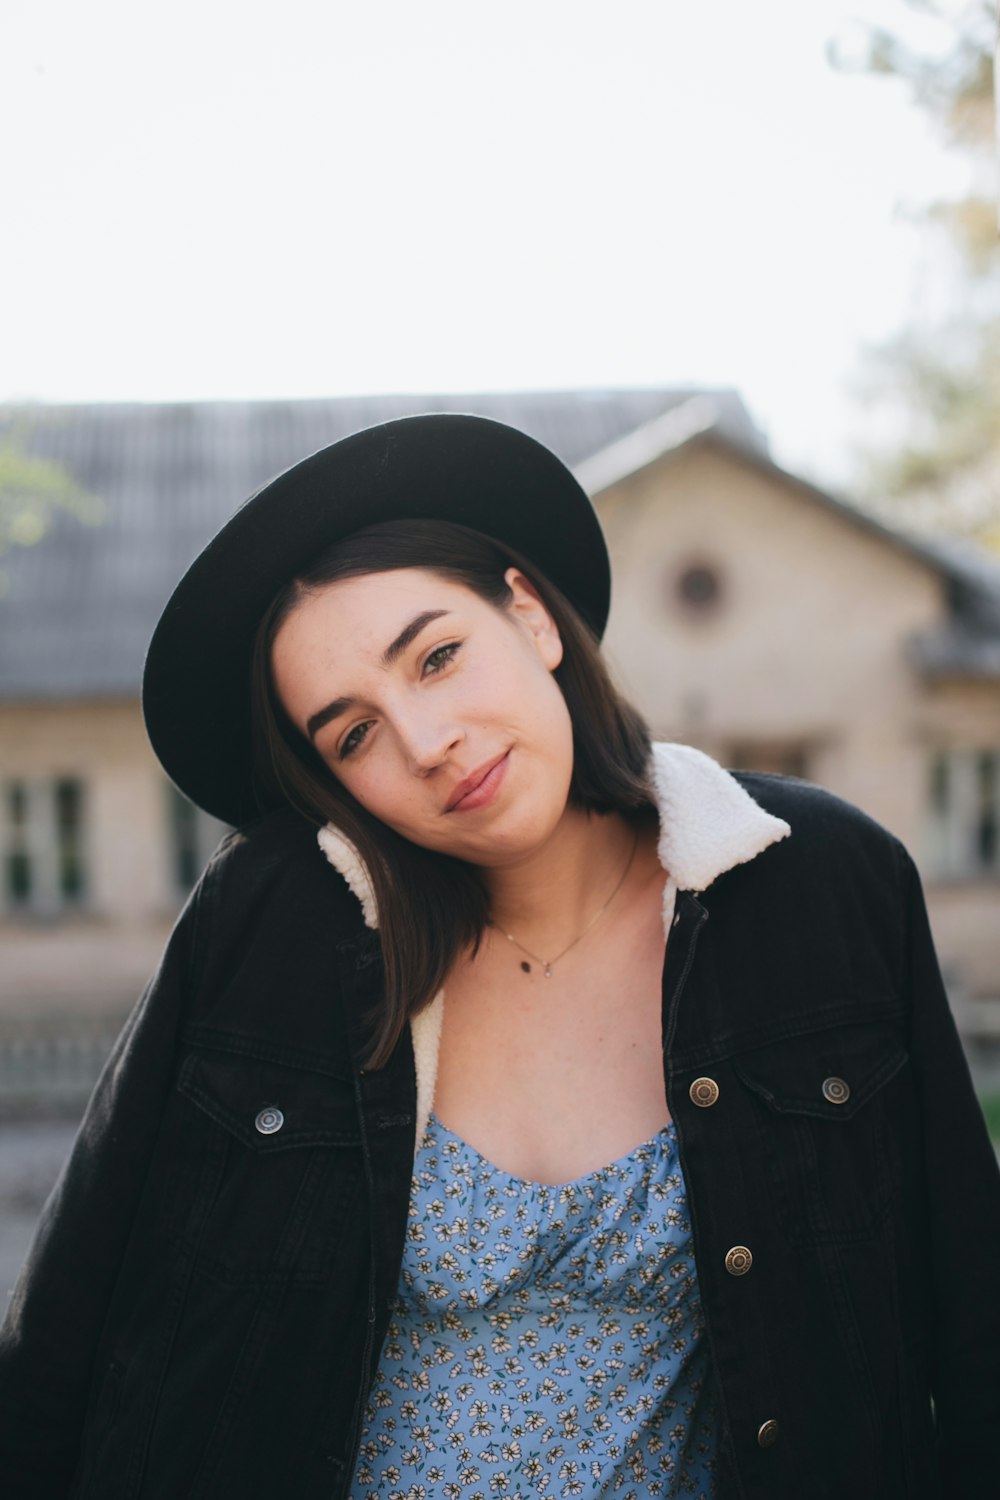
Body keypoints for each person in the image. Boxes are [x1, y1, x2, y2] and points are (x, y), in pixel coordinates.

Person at [0, 413, 998, 1500]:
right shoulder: (277, 927)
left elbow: (972, 1321)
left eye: (435, 657)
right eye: (353, 734)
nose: (428, 744)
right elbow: (64, 1329)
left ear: (529, 616)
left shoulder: (817, 886)